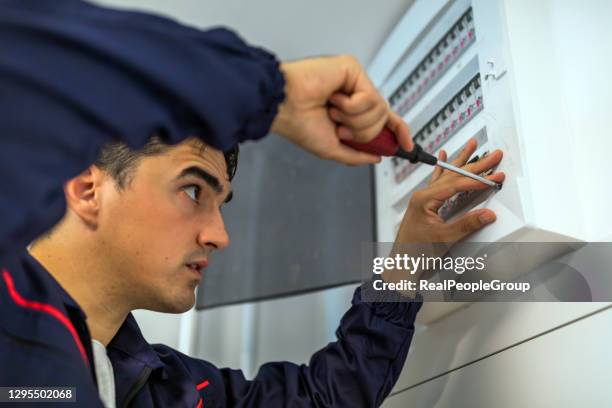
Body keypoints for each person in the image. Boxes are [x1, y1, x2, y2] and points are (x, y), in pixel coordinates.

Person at [0, 0, 505, 407]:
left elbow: (323, 398)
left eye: (221, 203)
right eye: (193, 190)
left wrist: (406, 266)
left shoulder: (163, 386)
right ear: (88, 189)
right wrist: (274, 94)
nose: (220, 235)